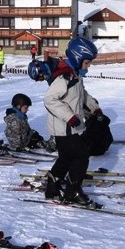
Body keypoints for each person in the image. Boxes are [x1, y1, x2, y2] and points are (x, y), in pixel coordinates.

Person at [43, 37, 102, 206]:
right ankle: (72, 191)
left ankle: (52, 186)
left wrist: (93, 107)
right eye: (87, 63)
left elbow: (81, 94)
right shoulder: (64, 79)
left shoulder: (75, 76)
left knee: (66, 157)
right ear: (77, 58)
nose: (88, 66)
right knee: (81, 155)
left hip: (70, 127)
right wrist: (69, 116)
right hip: (64, 127)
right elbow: (50, 100)